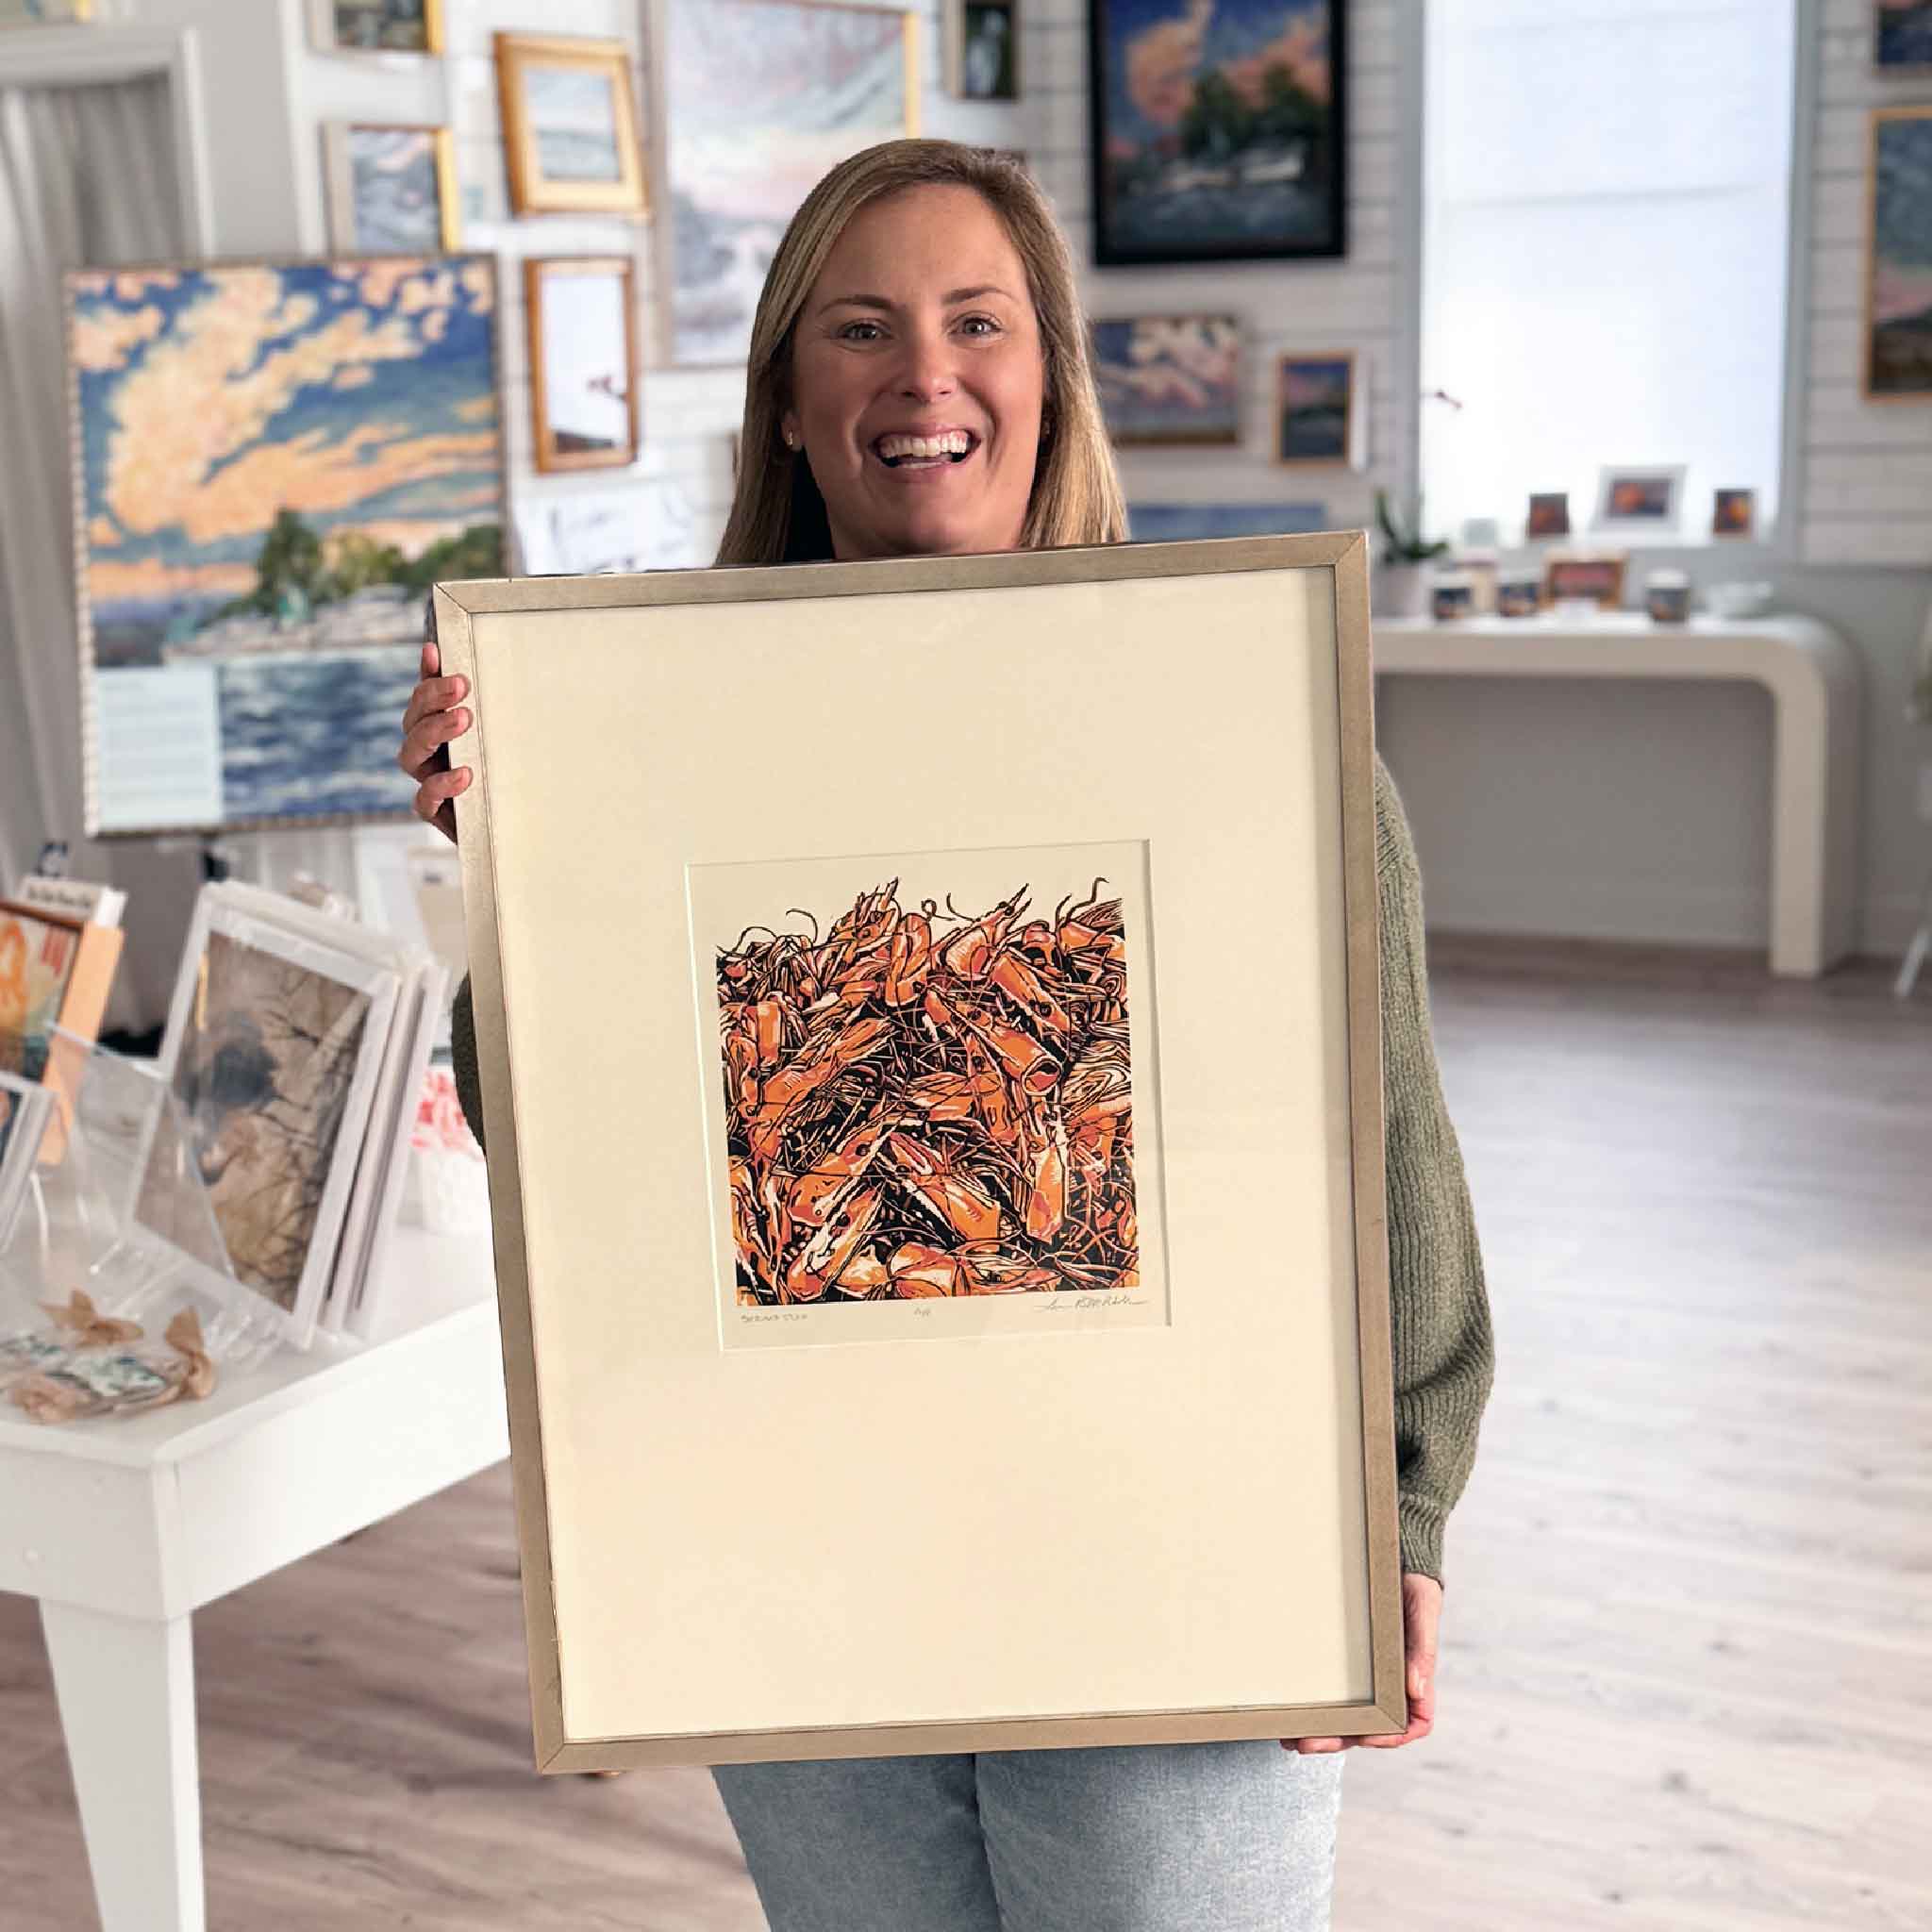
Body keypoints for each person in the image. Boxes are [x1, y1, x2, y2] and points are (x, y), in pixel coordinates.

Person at [397, 139, 1493, 1932]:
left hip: (1170, 1542)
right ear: (788, 402)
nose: (926, 374)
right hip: (805, 1549)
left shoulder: (1241, 722)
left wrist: (1402, 1510)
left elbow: (1392, 1149)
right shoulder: (651, 740)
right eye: (861, 327)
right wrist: (522, 876)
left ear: (1049, 374)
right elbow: (560, 1147)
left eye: (978, 321)